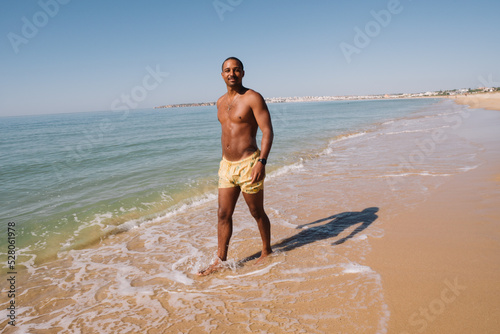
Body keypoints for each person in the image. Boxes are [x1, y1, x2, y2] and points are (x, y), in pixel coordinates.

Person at [198, 57, 274, 276]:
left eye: (236, 70)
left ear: (242, 72)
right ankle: (220, 261)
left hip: (249, 164)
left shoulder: (253, 98)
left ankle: (266, 250)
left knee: (256, 211)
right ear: (222, 75)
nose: (231, 73)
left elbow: (267, 131)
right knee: (223, 214)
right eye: (227, 70)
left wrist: (262, 162)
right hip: (226, 166)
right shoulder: (220, 102)